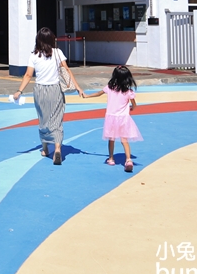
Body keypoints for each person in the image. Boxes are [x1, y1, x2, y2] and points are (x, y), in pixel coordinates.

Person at [12, 27, 84, 165]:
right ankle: (57, 148)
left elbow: (28, 75)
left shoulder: (33, 55)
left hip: (40, 90)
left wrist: (19, 91)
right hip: (56, 89)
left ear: (38, 40)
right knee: (57, 119)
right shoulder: (58, 53)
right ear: (52, 39)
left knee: (43, 119)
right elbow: (67, 70)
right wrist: (78, 88)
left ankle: (45, 149)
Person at [82, 65, 143, 172]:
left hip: (111, 118)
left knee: (111, 138)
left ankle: (111, 158)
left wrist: (87, 96)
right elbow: (134, 105)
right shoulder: (129, 92)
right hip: (123, 118)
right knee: (124, 139)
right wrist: (131, 108)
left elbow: (98, 94)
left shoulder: (109, 88)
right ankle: (128, 159)